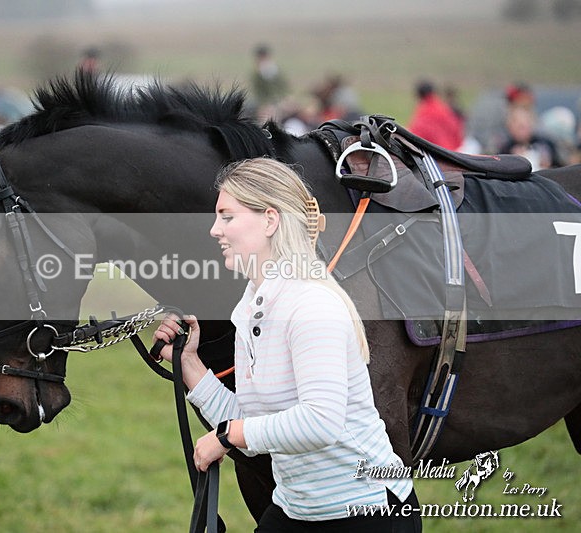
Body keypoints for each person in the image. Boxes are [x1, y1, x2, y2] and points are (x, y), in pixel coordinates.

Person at [153, 158, 420, 532]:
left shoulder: (311, 305)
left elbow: (319, 422)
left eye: (227, 216)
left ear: (269, 220)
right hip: (297, 507)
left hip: (365, 510)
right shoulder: (251, 306)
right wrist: (190, 365)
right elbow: (255, 423)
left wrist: (227, 437)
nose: (215, 229)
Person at [499, 105, 563, 170]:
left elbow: (560, 167)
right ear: (510, 127)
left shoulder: (545, 144)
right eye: (519, 127)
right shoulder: (506, 149)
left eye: (525, 125)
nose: (523, 131)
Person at [407, 80, 464, 150]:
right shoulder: (444, 108)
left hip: (437, 155)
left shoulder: (424, 112)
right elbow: (457, 132)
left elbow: (413, 137)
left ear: (418, 95)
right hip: (454, 154)